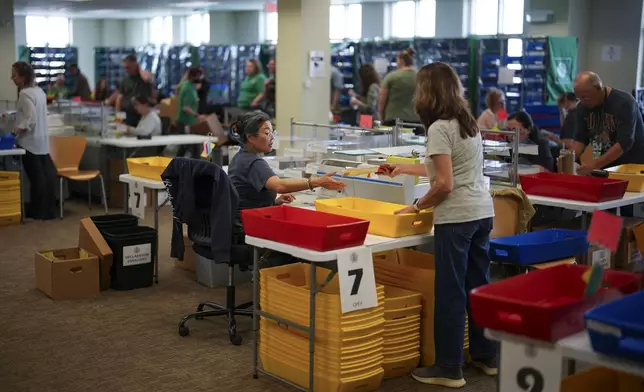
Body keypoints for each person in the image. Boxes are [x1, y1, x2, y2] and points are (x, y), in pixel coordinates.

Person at [386, 62, 496, 389]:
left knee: (450, 292)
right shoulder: (468, 123)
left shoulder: (438, 128)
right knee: (478, 286)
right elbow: (450, 169)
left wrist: (417, 205)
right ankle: (485, 355)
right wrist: (402, 169)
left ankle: (449, 367)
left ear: (427, 92)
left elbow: (445, 184)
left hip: (457, 218)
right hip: (481, 212)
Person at [228, 111, 345, 212]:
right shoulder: (253, 162)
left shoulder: (240, 157)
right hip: (246, 226)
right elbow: (280, 185)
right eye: (267, 133)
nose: (272, 137)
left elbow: (248, 199)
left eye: (272, 132)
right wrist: (317, 182)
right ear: (251, 137)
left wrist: (274, 202)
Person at [571, 71, 644, 176]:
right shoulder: (583, 108)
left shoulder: (624, 102)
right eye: (579, 98)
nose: (582, 101)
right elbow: (580, 140)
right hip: (607, 163)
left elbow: (625, 142)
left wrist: (594, 165)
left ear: (598, 88)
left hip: (632, 164)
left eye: (585, 97)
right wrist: (567, 159)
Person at [11, 61, 58, 220]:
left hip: (29, 142)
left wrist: (16, 130)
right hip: (42, 141)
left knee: (37, 179)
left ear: (23, 77)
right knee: (46, 177)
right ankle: (48, 210)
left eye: (15, 75)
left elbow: (30, 119)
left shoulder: (24, 94)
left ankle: (38, 211)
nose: (12, 78)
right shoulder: (39, 92)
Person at [379, 48, 421, 134]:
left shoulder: (391, 77)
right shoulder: (420, 78)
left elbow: (381, 103)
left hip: (394, 123)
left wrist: (382, 119)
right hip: (416, 124)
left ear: (400, 60)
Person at [116, 54, 154, 127]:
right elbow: (119, 99)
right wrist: (118, 116)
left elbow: (147, 78)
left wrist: (139, 68)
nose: (126, 70)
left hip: (142, 114)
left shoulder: (143, 77)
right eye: (125, 68)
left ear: (135, 65)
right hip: (128, 114)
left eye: (128, 67)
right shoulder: (124, 81)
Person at [175, 67, 204, 158]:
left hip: (190, 122)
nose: (201, 78)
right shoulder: (187, 88)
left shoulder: (191, 86)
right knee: (185, 146)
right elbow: (186, 107)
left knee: (192, 147)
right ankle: (175, 164)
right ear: (194, 76)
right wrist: (197, 116)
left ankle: (197, 163)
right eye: (200, 75)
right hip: (185, 122)